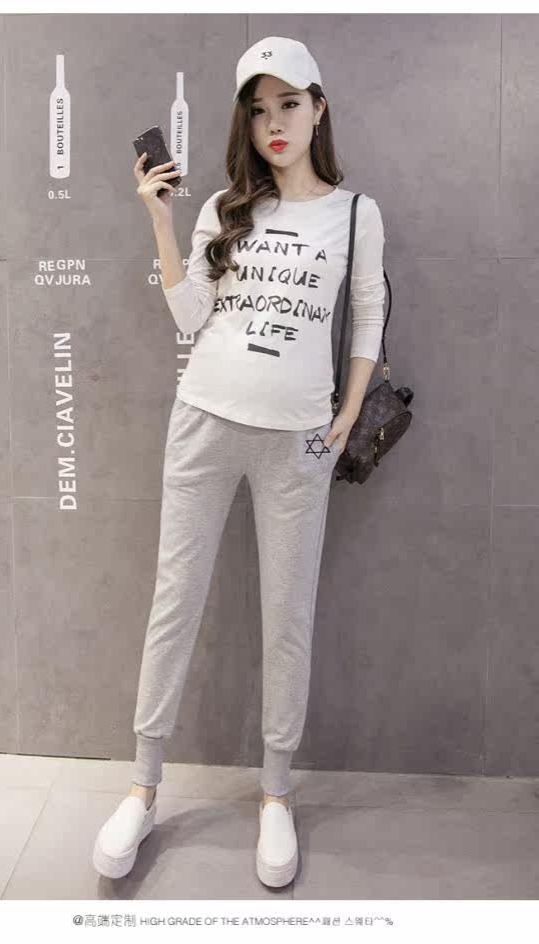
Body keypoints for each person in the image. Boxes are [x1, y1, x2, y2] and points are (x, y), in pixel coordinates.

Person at [92, 35, 386, 887]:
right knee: (173, 603)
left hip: (298, 439)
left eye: (289, 103)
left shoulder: (356, 214)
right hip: (204, 423)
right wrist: (159, 218)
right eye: (259, 110)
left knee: (287, 617)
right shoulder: (225, 206)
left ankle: (276, 793)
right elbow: (190, 317)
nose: (274, 123)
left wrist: (347, 412)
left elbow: (368, 313)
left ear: (318, 107)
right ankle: (143, 787)